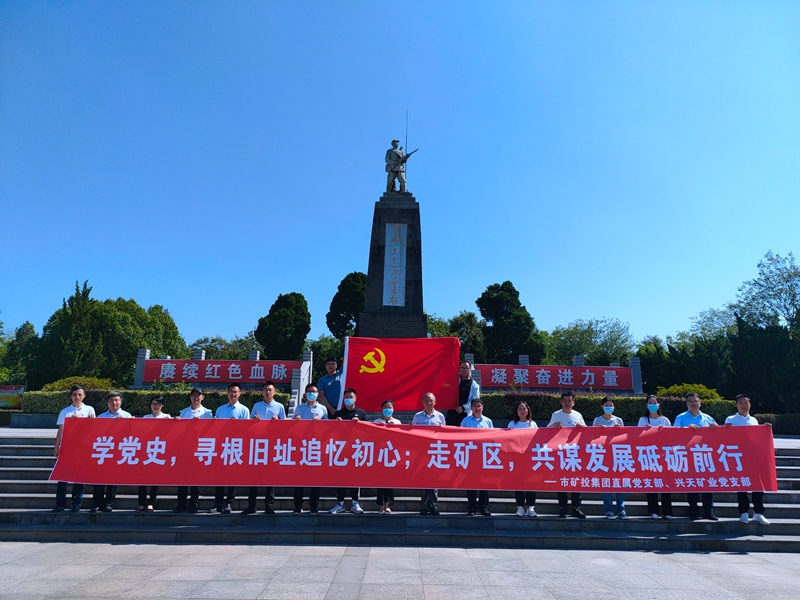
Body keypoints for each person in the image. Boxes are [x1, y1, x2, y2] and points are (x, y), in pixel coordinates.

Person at [726, 394, 771, 525]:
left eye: (746, 403)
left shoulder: (754, 420)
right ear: (736, 405)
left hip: (754, 457)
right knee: (742, 485)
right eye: (740, 403)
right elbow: (725, 437)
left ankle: (758, 513)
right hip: (738, 457)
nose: (743, 405)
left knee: (758, 485)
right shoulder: (730, 419)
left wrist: (765, 429)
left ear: (750, 405)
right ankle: (743, 512)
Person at [243, 380, 286, 515]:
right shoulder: (256, 406)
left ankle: (269, 506)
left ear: (274, 392)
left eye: (270, 390)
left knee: (270, 477)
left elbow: (285, 428)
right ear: (262, 392)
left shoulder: (279, 407)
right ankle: (251, 505)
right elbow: (248, 426)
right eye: (265, 390)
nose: (268, 392)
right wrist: (254, 421)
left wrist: (278, 422)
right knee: (253, 476)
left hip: (272, 446)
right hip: (257, 445)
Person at [674, 392, 718, 520]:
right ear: (686, 403)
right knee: (692, 484)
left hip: (705, 456)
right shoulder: (681, 418)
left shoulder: (708, 418)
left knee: (707, 485)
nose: (693, 403)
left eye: (695, 401)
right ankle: (694, 511)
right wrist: (685, 429)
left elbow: (718, 436)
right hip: (688, 456)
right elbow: (674, 434)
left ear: (700, 403)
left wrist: (715, 427)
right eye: (690, 401)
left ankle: (708, 511)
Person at [53, 384, 96, 512]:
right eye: (75, 394)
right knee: (63, 477)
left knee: (80, 477)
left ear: (84, 396)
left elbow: (93, 429)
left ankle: (76, 503)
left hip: (83, 448)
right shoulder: (65, 411)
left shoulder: (89, 409)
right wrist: (56, 446)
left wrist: (91, 420)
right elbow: (61, 430)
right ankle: (60, 503)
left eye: (79, 394)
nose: (77, 397)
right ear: (71, 396)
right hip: (67, 447)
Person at [91, 392, 132, 513]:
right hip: (103, 450)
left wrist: (124, 422)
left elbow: (131, 433)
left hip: (118, 450)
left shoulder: (127, 416)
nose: (114, 403)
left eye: (116, 400)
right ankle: (97, 504)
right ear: (107, 402)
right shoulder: (101, 416)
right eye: (111, 400)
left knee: (112, 479)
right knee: (98, 478)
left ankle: (109, 504)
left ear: (121, 402)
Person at [548, 391, 587, 519]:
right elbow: (546, 432)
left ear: (573, 403)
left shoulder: (578, 415)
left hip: (575, 453)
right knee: (561, 480)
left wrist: (581, 427)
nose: (567, 403)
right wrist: (553, 426)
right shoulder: (556, 415)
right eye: (564, 400)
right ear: (561, 402)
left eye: (569, 401)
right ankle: (563, 507)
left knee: (575, 481)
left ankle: (576, 508)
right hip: (560, 453)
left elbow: (587, 432)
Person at [174, 387, 212, 513]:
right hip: (185, 448)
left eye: (198, 395)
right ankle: (181, 503)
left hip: (199, 448)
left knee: (195, 478)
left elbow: (210, 431)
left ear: (203, 397)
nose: (196, 398)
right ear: (190, 397)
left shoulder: (207, 413)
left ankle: (194, 503)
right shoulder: (184, 412)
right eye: (193, 395)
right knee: (182, 478)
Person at [213, 383, 250, 514]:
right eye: (231, 391)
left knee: (232, 476)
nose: (233, 394)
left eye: (235, 392)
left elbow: (246, 429)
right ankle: (217, 504)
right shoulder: (220, 409)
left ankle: (229, 503)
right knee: (219, 476)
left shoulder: (244, 410)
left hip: (236, 446)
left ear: (239, 394)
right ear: (227, 393)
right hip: (222, 445)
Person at [330, 388, 367, 514]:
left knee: (355, 477)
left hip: (356, 450)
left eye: (351, 397)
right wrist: (336, 424)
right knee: (340, 478)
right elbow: (330, 432)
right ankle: (340, 503)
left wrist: (360, 423)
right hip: (341, 451)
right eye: (346, 397)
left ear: (355, 399)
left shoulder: (361, 413)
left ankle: (355, 503)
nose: (348, 399)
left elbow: (368, 431)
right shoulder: (338, 414)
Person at [292, 383, 328, 514]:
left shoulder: (322, 409)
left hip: (316, 447)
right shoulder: (299, 408)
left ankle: (313, 506)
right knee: (298, 479)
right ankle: (298, 506)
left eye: (314, 391)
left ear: (318, 394)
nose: (312, 393)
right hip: (301, 447)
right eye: (309, 391)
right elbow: (291, 425)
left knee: (315, 479)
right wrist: (296, 419)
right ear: (305, 394)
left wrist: (320, 421)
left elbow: (329, 426)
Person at [638, 395, 673, 520]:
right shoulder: (643, 420)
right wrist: (645, 431)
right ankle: (654, 511)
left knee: (665, 483)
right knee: (651, 483)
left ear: (658, 405)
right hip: (649, 455)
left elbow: (672, 437)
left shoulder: (665, 420)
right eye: (650, 403)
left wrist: (664, 431)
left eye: (655, 402)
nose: (652, 405)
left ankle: (667, 511)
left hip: (663, 456)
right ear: (646, 405)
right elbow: (637, 437)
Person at [592, 397, 627, 519]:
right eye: (606, 405)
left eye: (611, 405)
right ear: (602, 406)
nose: (609, 407)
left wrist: (618, 431)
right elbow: (592, 437)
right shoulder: (597, 420)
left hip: (618, 454)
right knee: (606, 482)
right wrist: (599, 431)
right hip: (603, 454)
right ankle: (608, 510)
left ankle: (621, 509)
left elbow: (624, 438)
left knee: (619, 482)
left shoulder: (619, 420)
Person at [412, 392, 446, 515]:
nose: (428, 402)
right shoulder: (417, 416)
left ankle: (434, 505)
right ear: (422, 402)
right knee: (423, 479)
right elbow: (413, 433)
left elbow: (444, 434)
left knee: (434, 480)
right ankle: (424, 505)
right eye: (426, 400)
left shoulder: (440, 416)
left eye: (431, 400)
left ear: (435, 402)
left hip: (436, 451)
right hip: (422, 452)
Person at [137, 396, 170, 512]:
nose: (155, 406)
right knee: (142, 479)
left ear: (162, 406)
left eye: (158, 404)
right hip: (147, 450)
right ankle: (141, 503)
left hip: (159, 450)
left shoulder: (167, 417)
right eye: (153, 404)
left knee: (155, 479)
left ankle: (151, 502)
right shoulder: (146, 418)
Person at [461, 397, 493, 517]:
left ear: (482, 407)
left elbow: (493, 438)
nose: (477, 408)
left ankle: (484, 507)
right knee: (470, 482)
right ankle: (472, 506)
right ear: (471, 407)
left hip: (484, 456)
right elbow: (459, 437)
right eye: (474, 406)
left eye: (479, 406)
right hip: (470, 456)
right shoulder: (465, 421)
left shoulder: (488, 422)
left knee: (484, 482)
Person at [507, 400, 538, 517]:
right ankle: (520, 507)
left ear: (528, 410)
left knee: (531, 482)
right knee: (518, 482)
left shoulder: (532, 424)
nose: (522, 411)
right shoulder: (512, 425)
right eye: (519, 409)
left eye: (524, 408)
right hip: (517, 458)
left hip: (530, 458)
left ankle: (531, 507)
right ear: (516, 411)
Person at [374, 399, 402, 514]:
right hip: (380, 454)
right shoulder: (376, 421)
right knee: (380, 482)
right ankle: (381, 505)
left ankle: (388, 505)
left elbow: (401, 438)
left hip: (392, 455)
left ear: (393, 409)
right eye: (385, 407)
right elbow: (372, 437)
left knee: (390, 482)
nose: (387, 409)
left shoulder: (397, 422)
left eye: (389, 407)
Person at [446, 360, 481, 427]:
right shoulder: (454, 381)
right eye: (462, 367)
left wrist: (463, 408)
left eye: (466, 368)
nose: (464, 370)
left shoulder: (474, 386)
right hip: (451, 414)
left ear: (470, 370)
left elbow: (475, 400)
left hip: (465, 415)